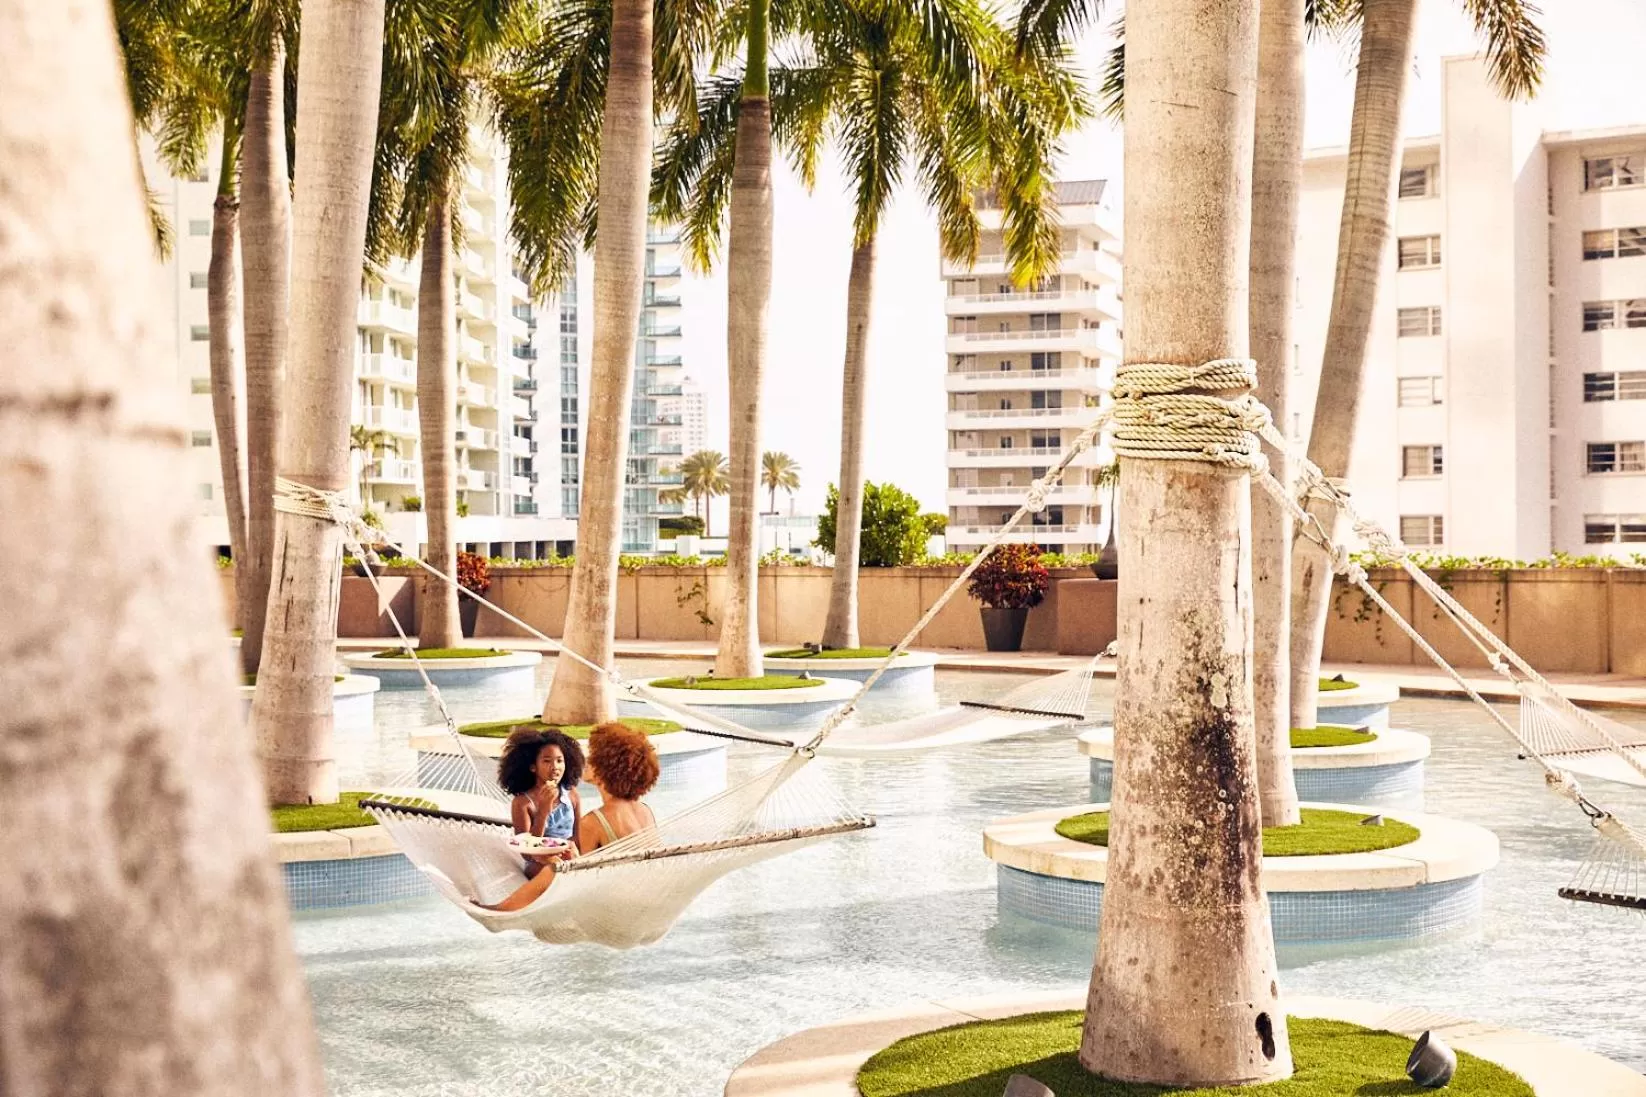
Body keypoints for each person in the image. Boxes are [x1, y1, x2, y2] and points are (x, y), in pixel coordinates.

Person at [477, 722, 661, 912]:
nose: (585, 762)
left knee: (553, 871)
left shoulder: (593, 821)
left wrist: (564, 859)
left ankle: (501, 910)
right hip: (645, 893)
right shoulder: (645, 810)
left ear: (603, 771)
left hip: (611, 898)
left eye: (593, 759)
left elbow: (582, 878)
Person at [497, 727, 585, 879]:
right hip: (538, 863)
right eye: (547, 761)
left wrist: (568, 850)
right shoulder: (522, 803)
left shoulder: (571, 794)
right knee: (556, 870)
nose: (555, 767)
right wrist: (543, 811)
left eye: (559, 760)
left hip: (569, 855)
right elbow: (526, 853)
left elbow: (579, 836)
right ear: (533, 767)